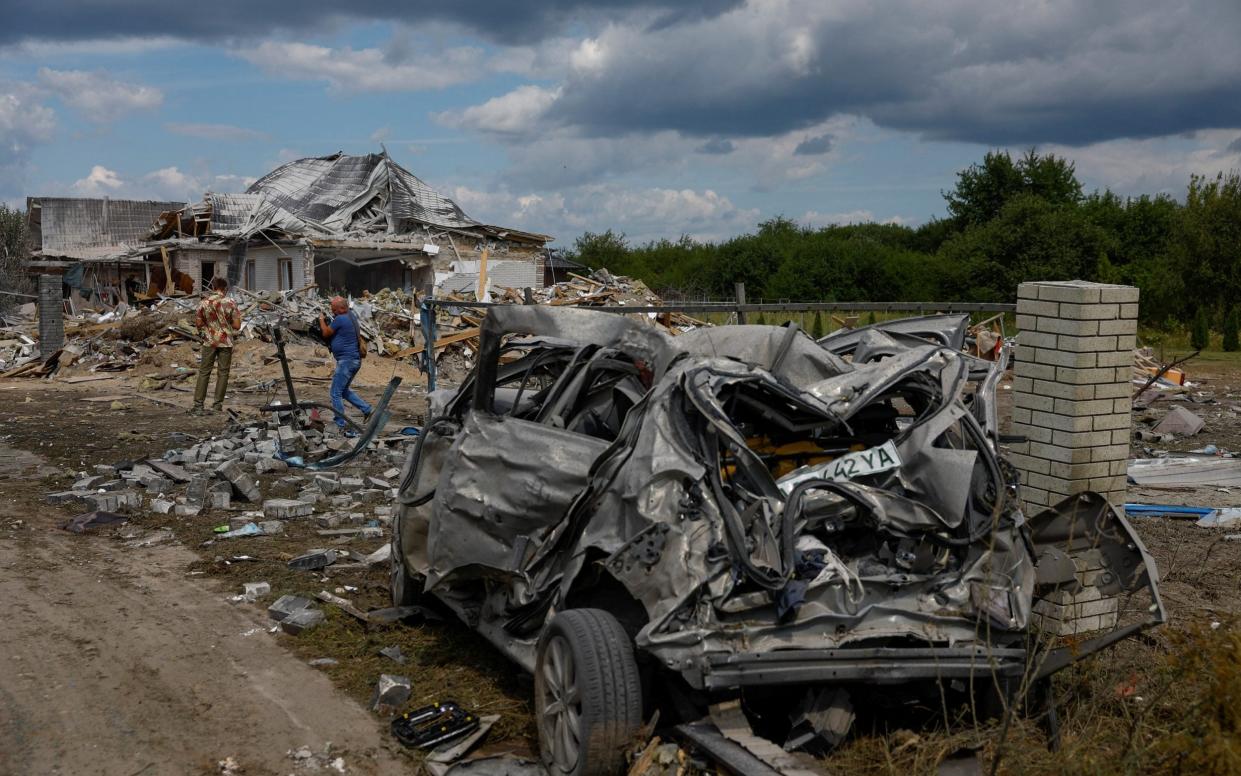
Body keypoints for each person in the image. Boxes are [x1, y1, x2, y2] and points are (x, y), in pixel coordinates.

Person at [318, 296, 372, 437]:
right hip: (354, 361)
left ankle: (339, 423)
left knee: (335, 393)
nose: (333, 312)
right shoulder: (351, 316)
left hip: (346, 362)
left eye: (335, 309)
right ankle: (366, 409)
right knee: (343, 390)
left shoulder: (341, 319)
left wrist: (321, 321)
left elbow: (325, 333)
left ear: (342, 308)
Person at [191, 276, 241, 414]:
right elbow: (237, 326)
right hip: (225, 342)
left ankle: (198, 405)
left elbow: (199, 324)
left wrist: (211, 325)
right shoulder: (230, 302)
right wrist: (226, 323)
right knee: (223, 373)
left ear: (213, 288)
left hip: (209, 341)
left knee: (204, 372)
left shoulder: (204, 303)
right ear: (225, 289)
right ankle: (217, 405)